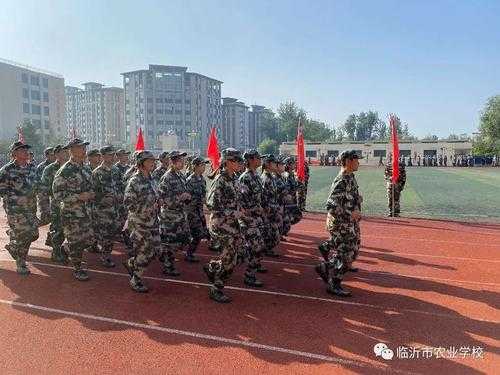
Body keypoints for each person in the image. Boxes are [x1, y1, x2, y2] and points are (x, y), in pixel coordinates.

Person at [316, 150, 362, 297]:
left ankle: (325, 266)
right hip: (341, 224)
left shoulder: (351, 177)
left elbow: (349, 198)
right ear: (348, 161)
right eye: (356, 160)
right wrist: (350, 213)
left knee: (352, 253)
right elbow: (330, 205)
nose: (358, 162)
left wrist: (357, 201)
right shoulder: (341, 180)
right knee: (346, 255)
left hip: (350, 224)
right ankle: (334, 283)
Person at [203, 148, 245, 303]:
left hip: (232, 225)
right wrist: (234, 213)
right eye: (236, 160)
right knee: (229, 260)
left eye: (240, 160)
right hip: (221, 226)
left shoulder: (234, 178)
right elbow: (211, 204)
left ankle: (213, 268)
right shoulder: (220, 179)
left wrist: (239, 210)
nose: (240, 163)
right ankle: (216, 289)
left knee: (236, 257)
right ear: (227, 162)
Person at [53, 138, 97, 281]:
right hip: (71, 213)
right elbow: (58, 194)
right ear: (71, 150)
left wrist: (91, 194)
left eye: (84, 147)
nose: (84, 150)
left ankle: (66, 248)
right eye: (81, 147)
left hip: (86, 211)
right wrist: (79, 197)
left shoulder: (85, 168)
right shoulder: (64, 170)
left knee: (89, 239)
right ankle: (77, 268)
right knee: (77, 241)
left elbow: (90, 187)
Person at [123, 150, 160, 293]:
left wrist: (159, 201)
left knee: (156, 250)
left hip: (153, 221)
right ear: (141, 163)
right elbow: (128, 203)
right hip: (139, 222)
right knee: (146, 251)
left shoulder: (152, 179)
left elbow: (155, 196)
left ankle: (132, 263)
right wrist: (147, 208)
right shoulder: (135, 181)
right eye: (150, 161)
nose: (153, 163)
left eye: (153, 161)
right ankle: (136, 279)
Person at [0, 141, 40, 275]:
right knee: (24, 234)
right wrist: (16, 198)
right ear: (15, 153)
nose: (26, 152)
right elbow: (2, 191)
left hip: (31, 208)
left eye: (26, 150)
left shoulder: (33, 168)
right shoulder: (7, 170)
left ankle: (13, 245)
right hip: (15, 210)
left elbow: (37, 186)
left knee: (33, 234)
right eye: (22, 150)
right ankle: (21, 263)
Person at [158, 150, 192, 276]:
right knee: (170, 243)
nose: (183, 162)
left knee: (179, 242)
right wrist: (180, 198)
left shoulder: (180, 176)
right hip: (170, 217)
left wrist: (187, 197)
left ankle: (165, 257)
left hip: (180, 215)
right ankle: (168, 266)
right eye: (180, 160)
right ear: (173, 162)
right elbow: (163, 199)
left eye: (183, 160)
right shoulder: (167, 177)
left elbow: (184, 194)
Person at [238, 149, 267, 280]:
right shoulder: (245, 177)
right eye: (258, 157)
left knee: (257, 246)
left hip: (257, 217)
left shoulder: (256, 176)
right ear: (250, 160)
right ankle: (249, 275)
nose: (260, 160)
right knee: (256, 246)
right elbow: (242, 202)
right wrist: (253, 210)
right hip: (249, 219)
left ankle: (250, 265)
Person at [40, 145, 69, 263]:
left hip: (72, 205)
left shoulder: (70, 167)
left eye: (67, 152)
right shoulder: (50, 169)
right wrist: (44, 209)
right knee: (58, 229)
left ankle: (64, 249)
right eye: (63, 152)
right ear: (56, 154)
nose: (66, 154)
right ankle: (56, 253)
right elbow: (43, 190)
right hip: (56, 205)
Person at [92, 146, 120, 268]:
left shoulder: (115, 170)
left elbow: (120, 185)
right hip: (101, 210)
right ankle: (105, 256)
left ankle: (105, 253)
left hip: (114, 208)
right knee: (103, 234)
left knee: (111, 233)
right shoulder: (97, 173)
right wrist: (102, 199)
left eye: (113, 154)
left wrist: (120, 195)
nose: (112, 157)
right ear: (102, 156)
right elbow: (92, 192)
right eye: (109, 155)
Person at [185, 156, 210, 263]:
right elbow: (186, 199)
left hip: (199, 210)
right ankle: (189, 253)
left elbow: (204, 197)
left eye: (204, 165)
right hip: (191, 211)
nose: (204, 167)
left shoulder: (202, 180)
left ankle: (189, 251)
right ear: (195, 166)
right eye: (202, 165)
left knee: (202, 232)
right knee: (198, 233)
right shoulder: (190, 180)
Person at [260, 154, 282, 258]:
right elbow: (263, 196)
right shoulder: (265, 178)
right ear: (268, 164)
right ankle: (264, 251)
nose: (275, 164)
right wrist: (266, 209)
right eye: (273, 163)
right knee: (270, 234)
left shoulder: (271, 177)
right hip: (267, 212)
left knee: (275, 234)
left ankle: (266, 249)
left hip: (273, 210)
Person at [36, 147, 55, 225]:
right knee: (46, 216)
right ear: (46, 156)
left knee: (55, 214)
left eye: (54, 154)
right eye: (51, 155)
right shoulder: (41, 167)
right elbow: (38, 181)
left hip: (55, 192)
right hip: (44, 193)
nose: (54, 156)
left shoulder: (58, 165)